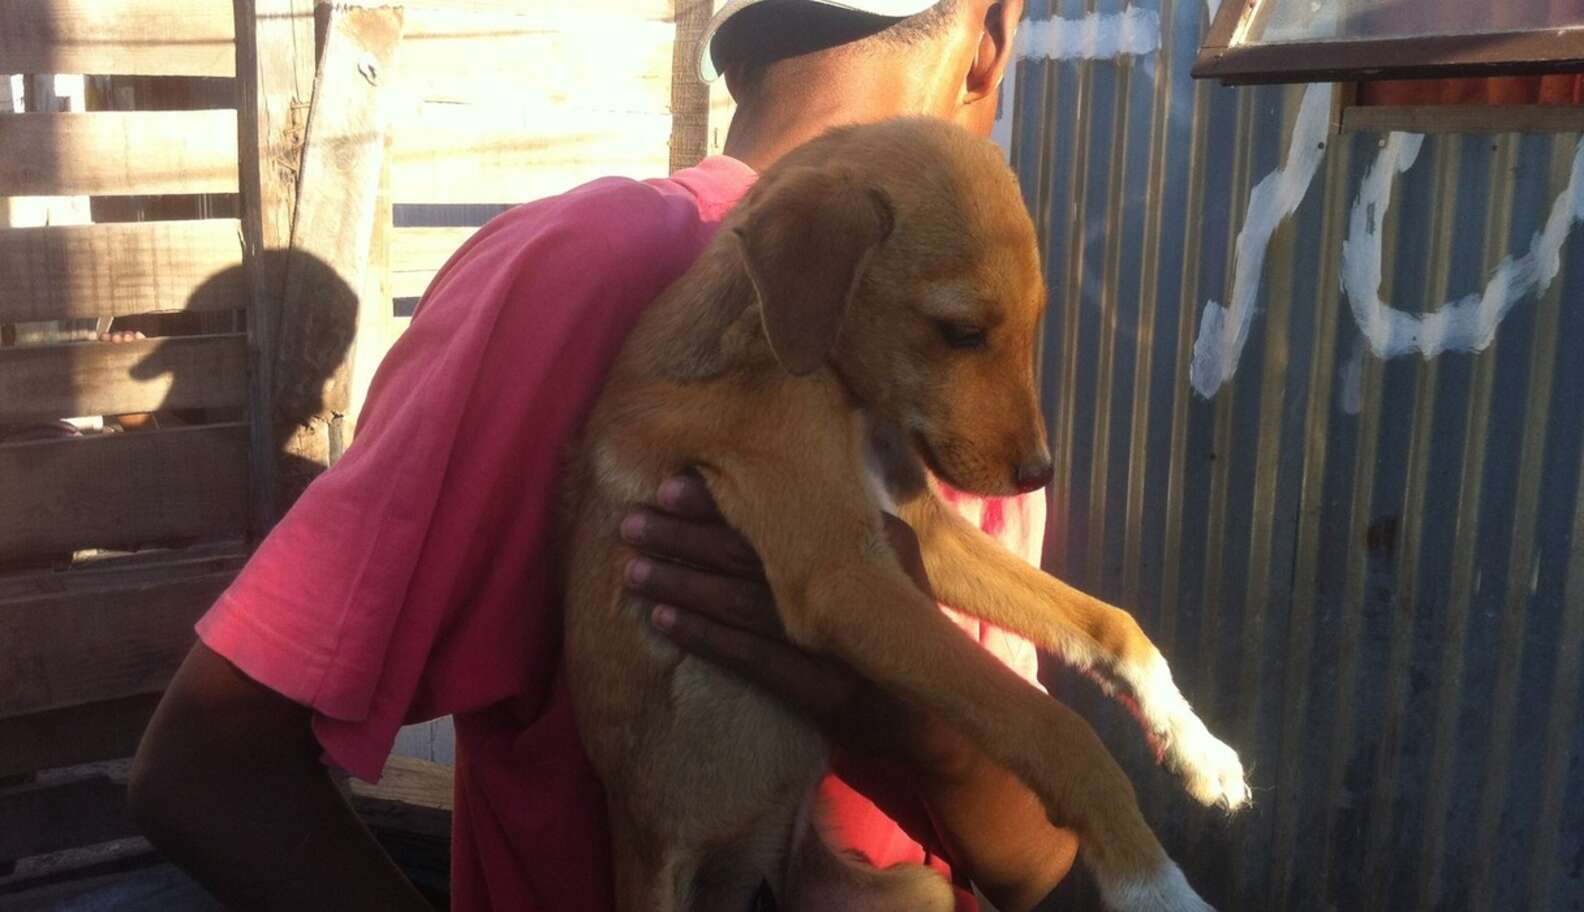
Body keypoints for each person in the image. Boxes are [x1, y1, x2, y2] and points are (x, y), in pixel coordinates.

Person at [129, 1, 1081, 909]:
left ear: (733, 60)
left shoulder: (977, 351)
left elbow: (1039, 861)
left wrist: (921, 721)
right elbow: (208, 762)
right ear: (993, 37)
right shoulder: (589, 274)